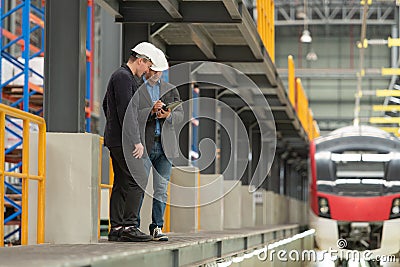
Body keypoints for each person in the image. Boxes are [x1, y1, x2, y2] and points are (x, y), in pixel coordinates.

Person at [103, 42, 158, 242]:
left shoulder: (122, 77)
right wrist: (135, 141)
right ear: (140, 60)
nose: (148, 70)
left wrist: (113, 127)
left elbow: (105, 104)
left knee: (121, 182)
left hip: (116, 139)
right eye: (148, 65)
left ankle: (116, 227)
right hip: (124, 141)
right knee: (138, 179)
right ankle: (129, 226)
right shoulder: (124, 77)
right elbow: (127, 112)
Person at [137, 48, 184, 241]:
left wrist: (169, 115)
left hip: (165, 148)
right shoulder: (137, 88)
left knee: (161, 190)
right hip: (145, 145)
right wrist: (150, 110)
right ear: (147, 68)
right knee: (138, 187)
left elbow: (181, 115)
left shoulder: (170, 89)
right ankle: (134, 227)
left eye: (160, 72)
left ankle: (157, 226)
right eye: (154, 70)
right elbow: (131, 115)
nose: (156, 74)